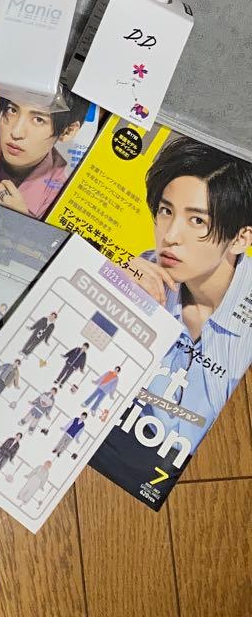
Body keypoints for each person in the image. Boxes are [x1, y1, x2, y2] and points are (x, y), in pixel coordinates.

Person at [122, 136, 252, 456]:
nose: (170, 236)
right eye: (166, 211)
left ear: (240, 238)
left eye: (197, 220)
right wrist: (112, 299)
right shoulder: (142, 274)